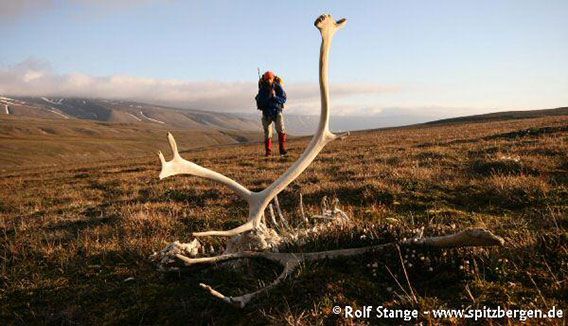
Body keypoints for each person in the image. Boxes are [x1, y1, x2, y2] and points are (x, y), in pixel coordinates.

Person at [255, 71, 288, 156]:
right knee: (268, 133)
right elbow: (261, 102)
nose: (269, 80)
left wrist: (274, 97)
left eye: (270, 79)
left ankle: (282, 150)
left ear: (273, 79)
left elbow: (283, 98)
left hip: (276, 111)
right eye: (267, 79)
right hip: (267, 113)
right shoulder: (263, 89)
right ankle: (268, 152)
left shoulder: (277, 87)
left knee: (281, 130)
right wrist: (270, 97)